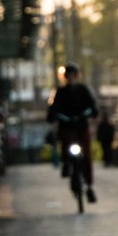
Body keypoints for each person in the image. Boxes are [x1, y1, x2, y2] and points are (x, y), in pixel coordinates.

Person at [46, 62, 98, 202]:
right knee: (65, 143)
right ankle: (66, 164)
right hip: (67, 127)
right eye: (68, 75)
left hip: (82, 126)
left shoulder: (84, 90)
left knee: (87, 155)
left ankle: (89, 186)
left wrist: (90, 112)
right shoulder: (60, 92)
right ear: (65, 77)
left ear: (77, 76)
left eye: (73, 75)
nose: (71, 78)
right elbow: (53, 109)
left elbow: (93, 106)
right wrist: (54, 116)